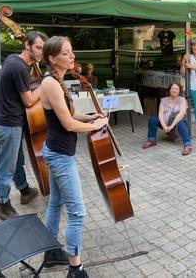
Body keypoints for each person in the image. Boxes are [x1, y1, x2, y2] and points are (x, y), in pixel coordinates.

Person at [39, 36, 110, 277]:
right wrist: (97, 127)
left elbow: (69, 114)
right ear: (52, 58)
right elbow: (68, 125)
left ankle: (49, 254)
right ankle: (75, 267)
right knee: (77, 212)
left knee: (56, 203)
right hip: (60, 156)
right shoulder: (50, 83)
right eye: (66, 53)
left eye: (72, 52)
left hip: (59, 151)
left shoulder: (58, 80)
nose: (73, 57)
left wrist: (91, 118)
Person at [0, 31, 46, 220]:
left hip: (6, 121)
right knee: (6, 166)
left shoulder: (12, 59)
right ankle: (4, 206)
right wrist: (46, 83)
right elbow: (30, 101)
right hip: (9, 124)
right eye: (38, 47)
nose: (41, 52)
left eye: (43, 48)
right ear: (27, 45)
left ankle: (24, 190)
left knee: (15, 160)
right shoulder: (20, 69)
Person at [142, 82, 193, 155]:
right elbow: (160, 114)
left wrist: (171, 125)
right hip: (165, 124)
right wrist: (164, 126)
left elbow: (181, 114)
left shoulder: (182, 100)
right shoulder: (163, 100)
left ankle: (188, 145)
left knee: (180, 122)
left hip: (176, 124)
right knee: (152, 119)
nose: (174, 90)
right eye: (173, 88)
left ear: (179, 91)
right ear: (169, 90)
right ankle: (151, 141)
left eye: (176, 89)